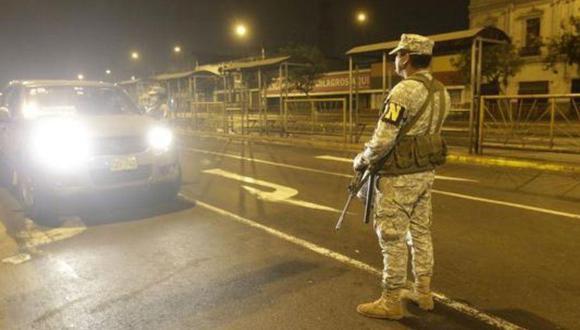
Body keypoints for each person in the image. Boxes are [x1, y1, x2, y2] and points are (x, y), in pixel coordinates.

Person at [354, 34, 450, 320]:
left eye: (397, 54)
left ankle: (391, 300)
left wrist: (361, 159)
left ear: (406, 57)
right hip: (425, 172)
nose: (395, 59)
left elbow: (384, 140)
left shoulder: (403, 92)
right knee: (420, 232)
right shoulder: (442, 91)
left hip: (399, 176)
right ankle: (423, 292)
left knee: (392, 236)